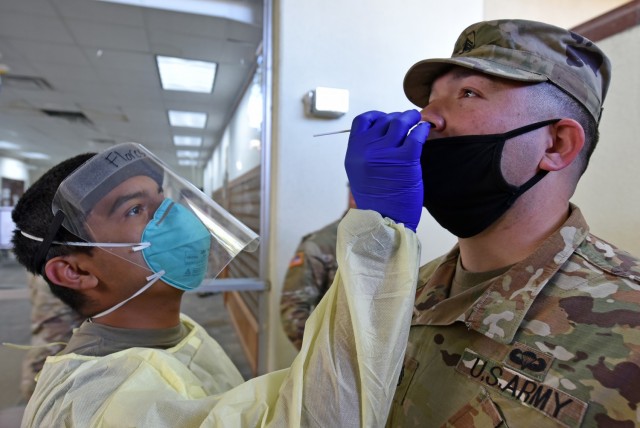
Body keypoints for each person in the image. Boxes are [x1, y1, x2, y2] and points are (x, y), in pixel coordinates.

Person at [11, 136, 426, 427]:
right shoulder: (103, 403)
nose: (174, 216)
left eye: (162, 198)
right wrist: (376, 243)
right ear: (76, 271)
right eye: (136, 210)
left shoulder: (175, 337)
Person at [344, 19, 640, 427]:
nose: (426, 118)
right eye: (430, 99)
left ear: (556, 144)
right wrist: (375, 237)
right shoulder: (404, 290)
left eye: (468, 93)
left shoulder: (630, 324)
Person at [280, 188, 357, 349]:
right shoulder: (319, 245)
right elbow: (293, 310)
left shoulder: (395, 243)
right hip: (337, 356)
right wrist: (320, 360)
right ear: (353, 195)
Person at [20, 273, 83, 401]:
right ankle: (38, 396)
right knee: (55, 340)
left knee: (53, 334)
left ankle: (37, 393)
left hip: (53, 270)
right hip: (62, 272)